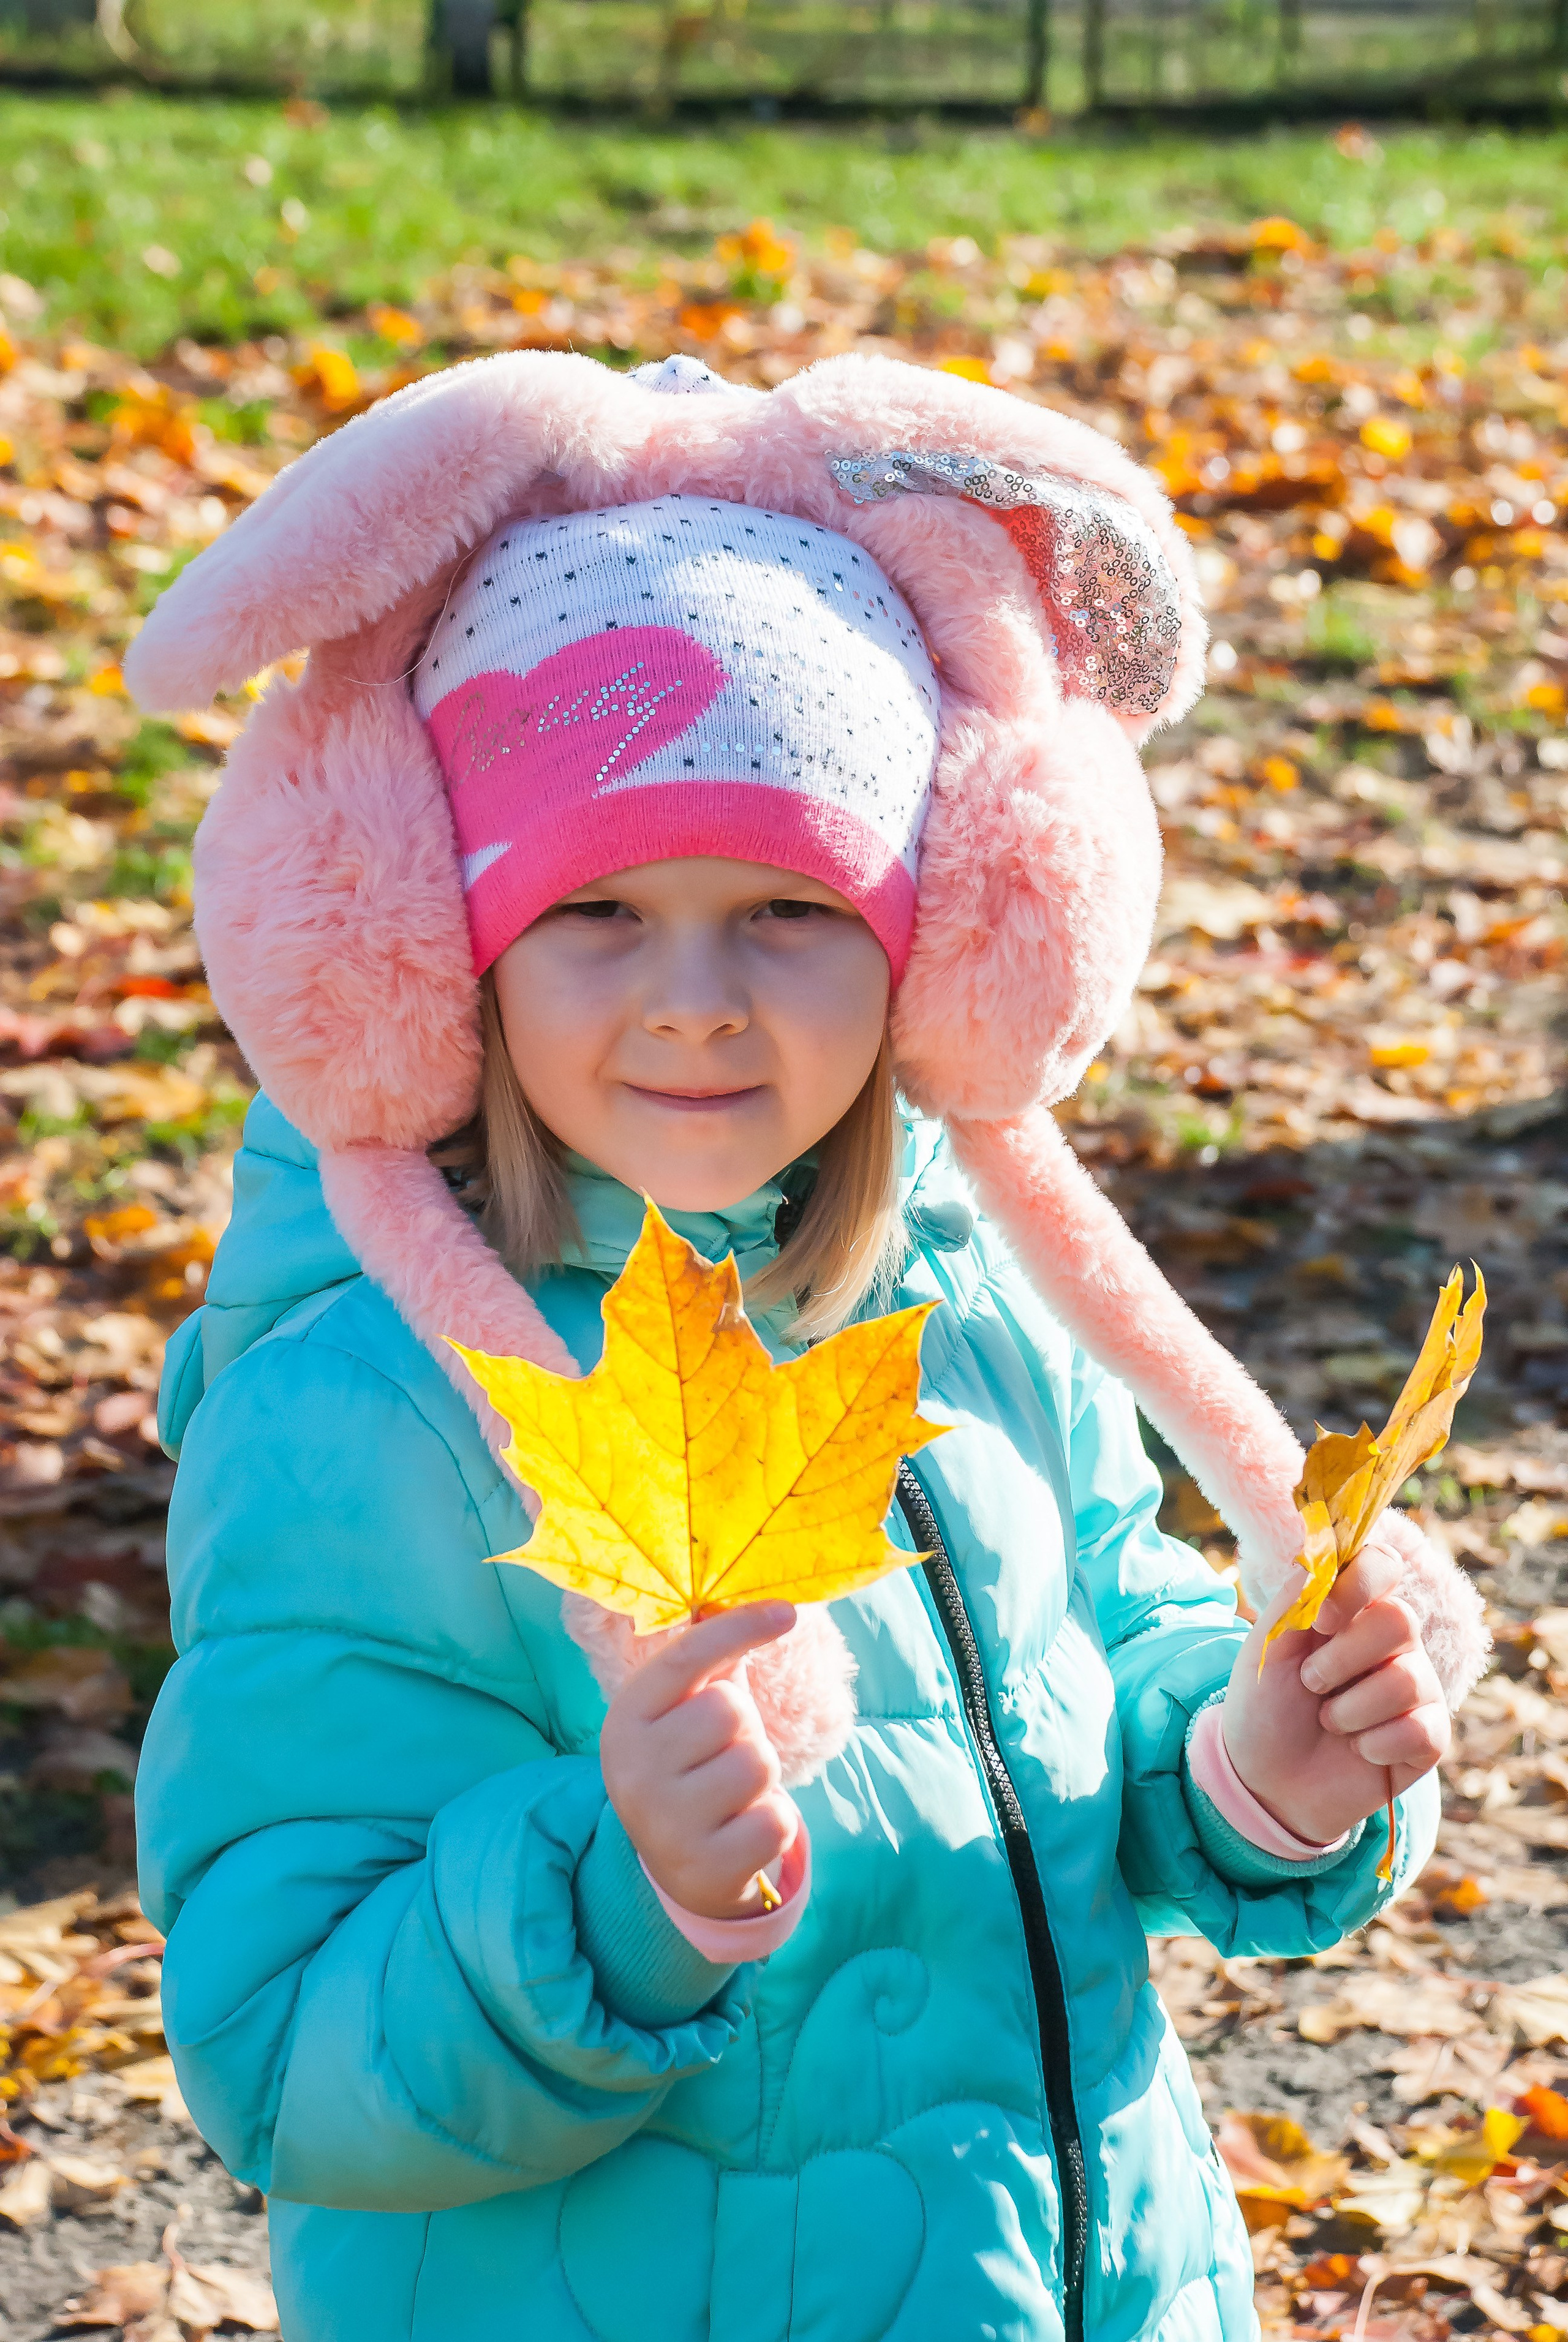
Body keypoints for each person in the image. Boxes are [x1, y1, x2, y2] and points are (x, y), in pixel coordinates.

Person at [127, 350, 1487, 2342]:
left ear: (941, 931)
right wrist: (623, 1894)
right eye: (598, 911)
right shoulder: (367, 1425)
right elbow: (286, 2056)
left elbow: (1107, 1665)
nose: (699, 1002)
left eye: (787, 904)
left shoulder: (963, 1301)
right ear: (441, 951)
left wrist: (1255, 1762)